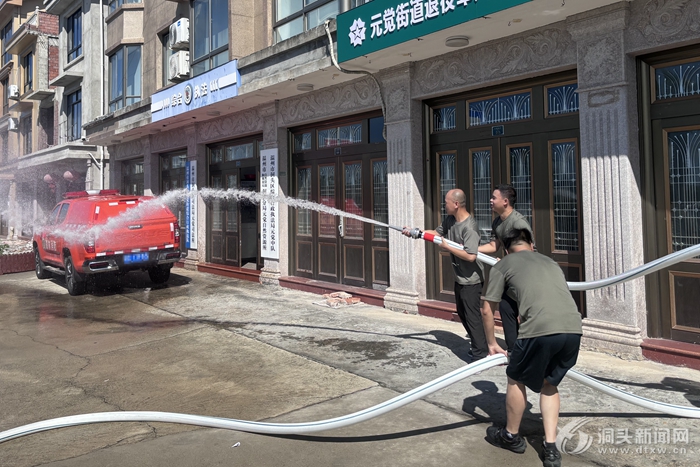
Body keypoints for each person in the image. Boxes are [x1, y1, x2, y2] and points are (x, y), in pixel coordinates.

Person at [480, 228, 582, 467]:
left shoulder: (503, 265)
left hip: (539, 329)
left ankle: (511, 436)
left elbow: (486, 309)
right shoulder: (551, 262)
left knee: (516, 378)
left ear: (507, 250)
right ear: (532, 245)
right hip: (573, 329)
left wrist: (492, 343)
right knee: (549, 383)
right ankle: (551, 448)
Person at [403, 189, 488, 360]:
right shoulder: (451, 220)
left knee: (472, 317)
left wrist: (448, 247)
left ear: (456, 204)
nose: (444, 205)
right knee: (462, 313)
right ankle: (478, 345)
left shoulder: (469, 227)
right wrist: (415, 232)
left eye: (446, 202)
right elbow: (436, 233)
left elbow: (471, 256)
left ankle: (480, 354)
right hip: (460, 277)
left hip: (471, 280)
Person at [478, 184, 534, 352]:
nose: (490, 200)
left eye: (494, 197)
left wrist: (506, 261)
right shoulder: (497, 222)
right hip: (511, 272)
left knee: (524, 314)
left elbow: (528, 252)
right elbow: (493, 245)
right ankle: (514, 350)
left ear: (505, 201)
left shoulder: (518, 223)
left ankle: (527, 351)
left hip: (526, 274)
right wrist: (472, 249)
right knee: (506, 307)